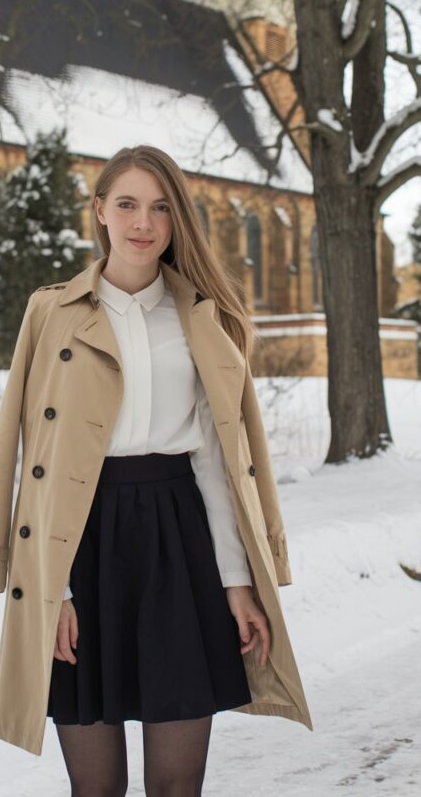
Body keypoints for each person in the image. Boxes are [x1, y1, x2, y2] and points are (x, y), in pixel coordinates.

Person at [43, 145, 271, 795]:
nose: (144, 222)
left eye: (161, 207)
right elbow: (36, 464)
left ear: (176, 221)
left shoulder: (203, 320)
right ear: (99, 212)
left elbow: (216, 462)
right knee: (96, 789)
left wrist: (236, 581)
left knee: (176, 787)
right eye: (127, 204)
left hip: (179, 541)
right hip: (81, 542)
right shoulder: (52, 315)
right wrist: (50, 588)